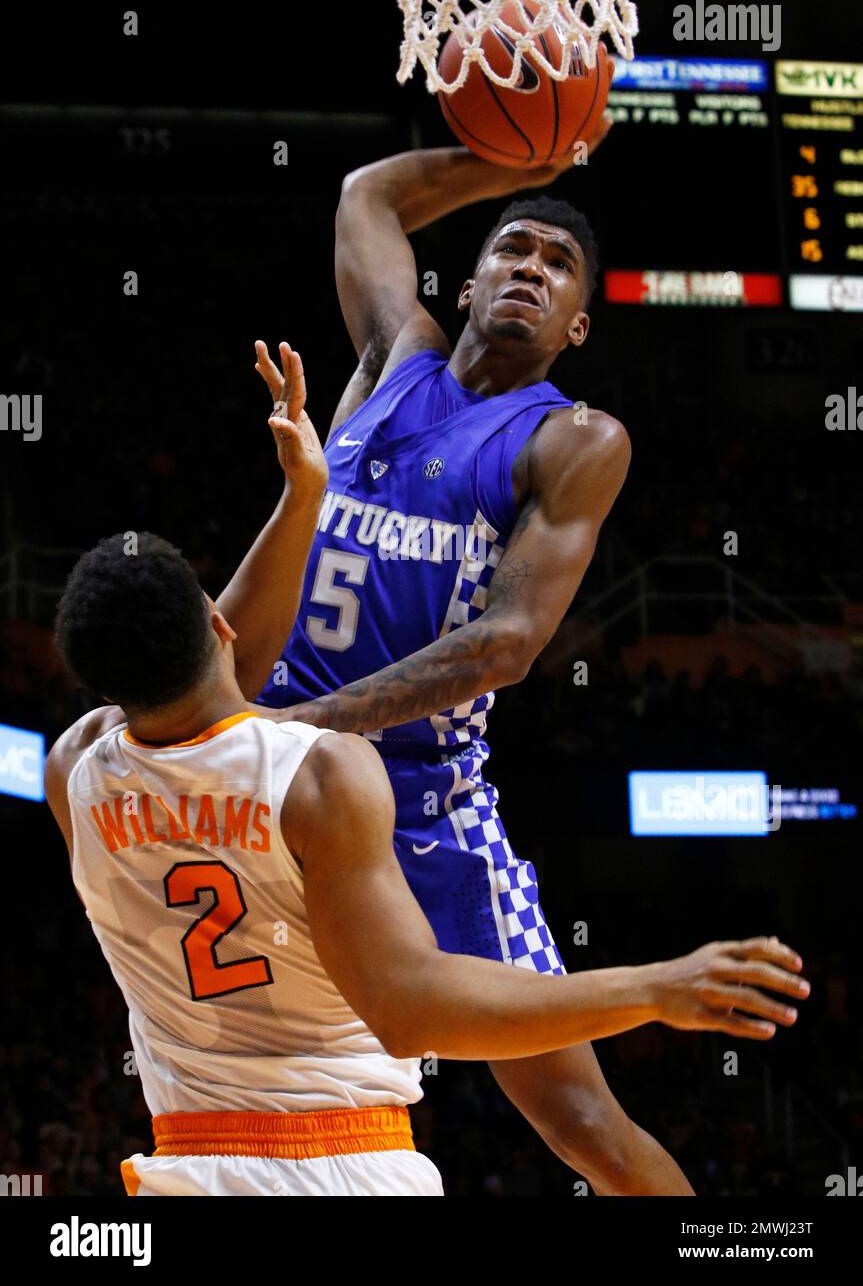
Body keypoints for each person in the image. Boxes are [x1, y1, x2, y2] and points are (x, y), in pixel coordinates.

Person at [44, 347, 809, 1196]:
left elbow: (193, 676)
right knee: (589, 1131)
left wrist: (306, 497)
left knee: (589, 1130)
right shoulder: (321, 775)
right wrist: (654, 988)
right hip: (341, 1166)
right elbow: (410, 1010)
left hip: (185, 1166)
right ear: (217, 626)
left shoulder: (72, 770)